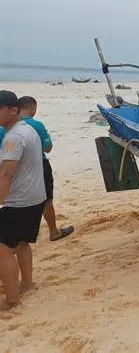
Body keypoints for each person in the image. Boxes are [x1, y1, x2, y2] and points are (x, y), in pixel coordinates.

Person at [0, 91, 47, 310]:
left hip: (19, 201)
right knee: (21, 243)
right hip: (36, 198)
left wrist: (1, 201)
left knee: (4, 249)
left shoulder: (13, 137)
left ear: (13, 110)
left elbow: (6, 174)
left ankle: (12, 301)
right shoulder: (29, 130)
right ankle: (27, 284)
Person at [13, 97, 73, 241]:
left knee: (18, 199)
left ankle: (17, 235)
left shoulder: (6, 126)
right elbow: (48, 148)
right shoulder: (36, 125)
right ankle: (53, 232)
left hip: (14, 166)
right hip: (38, 164)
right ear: (33, 109)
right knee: (46, 199)